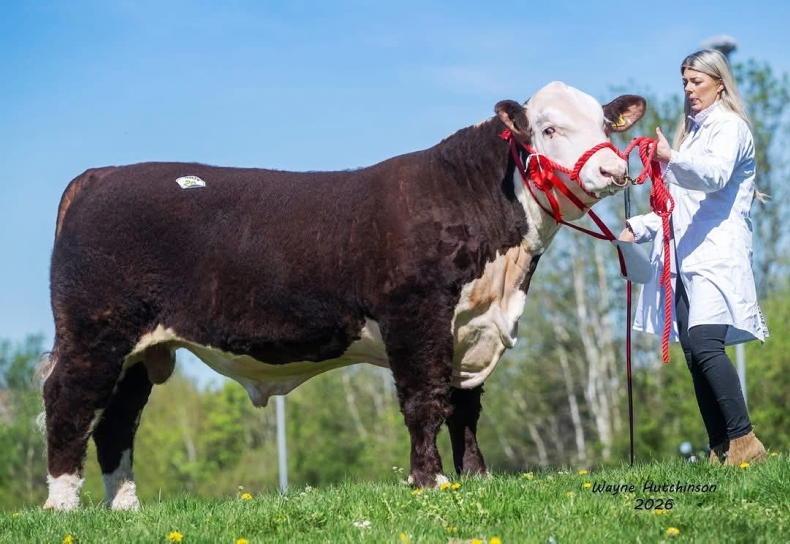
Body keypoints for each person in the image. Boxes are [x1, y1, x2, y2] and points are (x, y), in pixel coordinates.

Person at [619, 49, 769, 466]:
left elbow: (715, 175)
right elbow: (678, 204)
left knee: (706, 344)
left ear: (719, 82)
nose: (688, 90)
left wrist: (671, 158)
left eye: (696, 81)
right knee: (692, 352)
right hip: (683, 257)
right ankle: (720, 447)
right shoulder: (694, 135)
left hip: (717, 253)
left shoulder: (730, 128)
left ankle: (745, 440)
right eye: (684, 82)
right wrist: (641, 227)